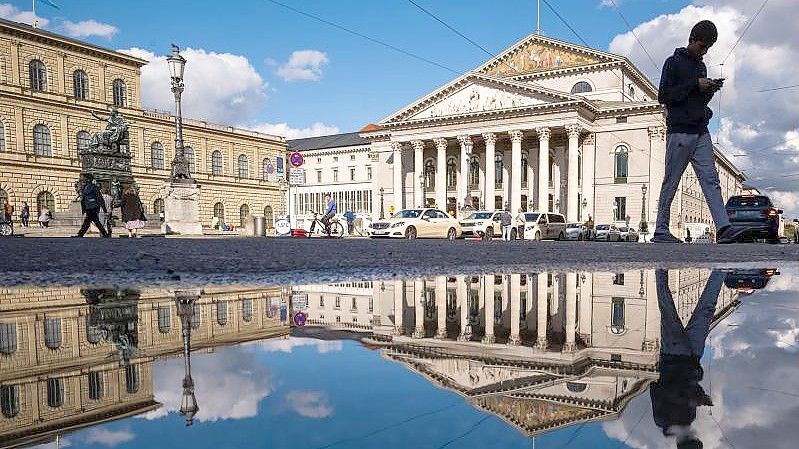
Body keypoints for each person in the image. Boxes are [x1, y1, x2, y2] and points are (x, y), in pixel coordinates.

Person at [654, 20, 745, 244]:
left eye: (708, 48)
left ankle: (723, 228)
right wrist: (695, 84)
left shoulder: (701, 67)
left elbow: (697, 99)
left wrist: (710, 89)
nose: (704, 52)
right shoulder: (672, 62)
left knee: (711, 179)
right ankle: (661, 230)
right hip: (680, 131)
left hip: (701, 130)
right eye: (702, 46)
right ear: (692, 39)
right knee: (672, 180)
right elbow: (664, 96)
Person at [651, 269, 723, 449]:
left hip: (673, 353)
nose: (697, 436)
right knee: (707, 310)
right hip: (693, 356)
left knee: (667, 305)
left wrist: (692, 399)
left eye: (696, 441)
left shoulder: (662, 420)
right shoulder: (689, 419)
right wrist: (699, 396)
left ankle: (660, 264)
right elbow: (689, 387)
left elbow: (658, 388)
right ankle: (722, 269)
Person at [75, 173, 109, 237]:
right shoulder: (85, 187)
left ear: (88, 179)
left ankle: (80, 234)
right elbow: (84, 199)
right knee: (95, 221)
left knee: (87, 221)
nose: (81, 179)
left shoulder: (94, 187)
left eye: (83, 178)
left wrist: (104, 209)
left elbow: (100, 198)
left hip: (93, 207)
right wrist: (84, 208)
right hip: (89, 207)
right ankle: (105, 234)